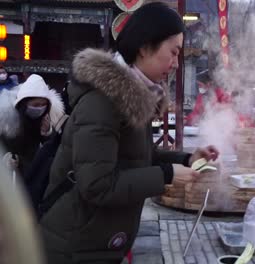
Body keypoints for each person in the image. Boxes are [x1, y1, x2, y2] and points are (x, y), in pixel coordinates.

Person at [39, 3, 219, 263]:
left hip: (97, 243)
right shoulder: (102, 102)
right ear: (145, 47)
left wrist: (186, 160)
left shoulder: (134, 95)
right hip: (74, 246)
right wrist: (166, 175)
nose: (176, 64)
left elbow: (135, 156)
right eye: (173, 52)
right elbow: (97, 186)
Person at [1, 74, 64, 179]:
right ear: (24, 104)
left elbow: (54, 152)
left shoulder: (50, 119)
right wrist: (5, 159)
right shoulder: (8, 121)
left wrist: (48, 133)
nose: (39, 108)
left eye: (43, 105)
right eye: (35, 105)